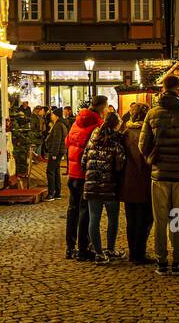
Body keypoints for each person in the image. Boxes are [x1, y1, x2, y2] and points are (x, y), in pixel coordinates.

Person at [141, 74, 179, 275]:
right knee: (178, 216)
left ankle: (161, 260)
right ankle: (177, 260)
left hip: (159, 174)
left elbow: (143, 145)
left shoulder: (152, 114)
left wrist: (153, 158)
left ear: (162, 88)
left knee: (160, 218)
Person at [64, 96, 107, 261]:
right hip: (85, 173)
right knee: (85, 211)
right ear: (102, 109)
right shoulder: (97, 126)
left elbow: (68, 142)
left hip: (73, 172)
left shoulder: (76, 123)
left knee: (72, 209)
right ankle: (83, 248)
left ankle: (69, 247)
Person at [82, 112, 127, 263]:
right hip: (110, 185)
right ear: (116, 124)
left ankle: (99, 253)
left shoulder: (93, 139)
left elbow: (83, 161)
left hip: (92, 185)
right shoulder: (116, 142)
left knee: (94, 218)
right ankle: (110, 248)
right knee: (112, 218)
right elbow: (120, 165)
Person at [120, 103, 154, 264]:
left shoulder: (125, 133)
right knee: (145, 219)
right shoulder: (147, 133)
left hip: (128, 182)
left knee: (131, 220)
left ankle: (133, 252)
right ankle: (140, 252)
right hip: (145, 181)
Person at [43, 106, 68, 199]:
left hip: (56, 152)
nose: (51, 115)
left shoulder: (58, 125)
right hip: (59, 151)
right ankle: (57, 192)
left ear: (56, 116)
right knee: (56, 171)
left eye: (53, 114)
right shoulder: (60, 124)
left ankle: (51, 193)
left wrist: (54, 153)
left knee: (50, 171)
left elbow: (57, 140)